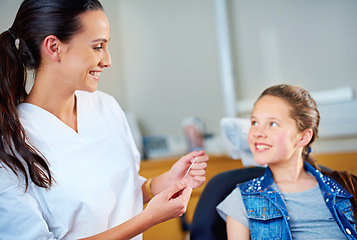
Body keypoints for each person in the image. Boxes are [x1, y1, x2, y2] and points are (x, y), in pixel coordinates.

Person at [0, 0, 208, 239]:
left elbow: (122, 196)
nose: (107, 60)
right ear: (54, 47)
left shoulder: (106, 107)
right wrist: (147, 219)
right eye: (98, 47)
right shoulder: (10, 140)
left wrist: (166, 181)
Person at [217, 84, 357, 240]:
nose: (257, 133)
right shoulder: (241, 201)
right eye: (254, 122)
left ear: (303, 137)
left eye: (272, 124)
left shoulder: (348, 187)